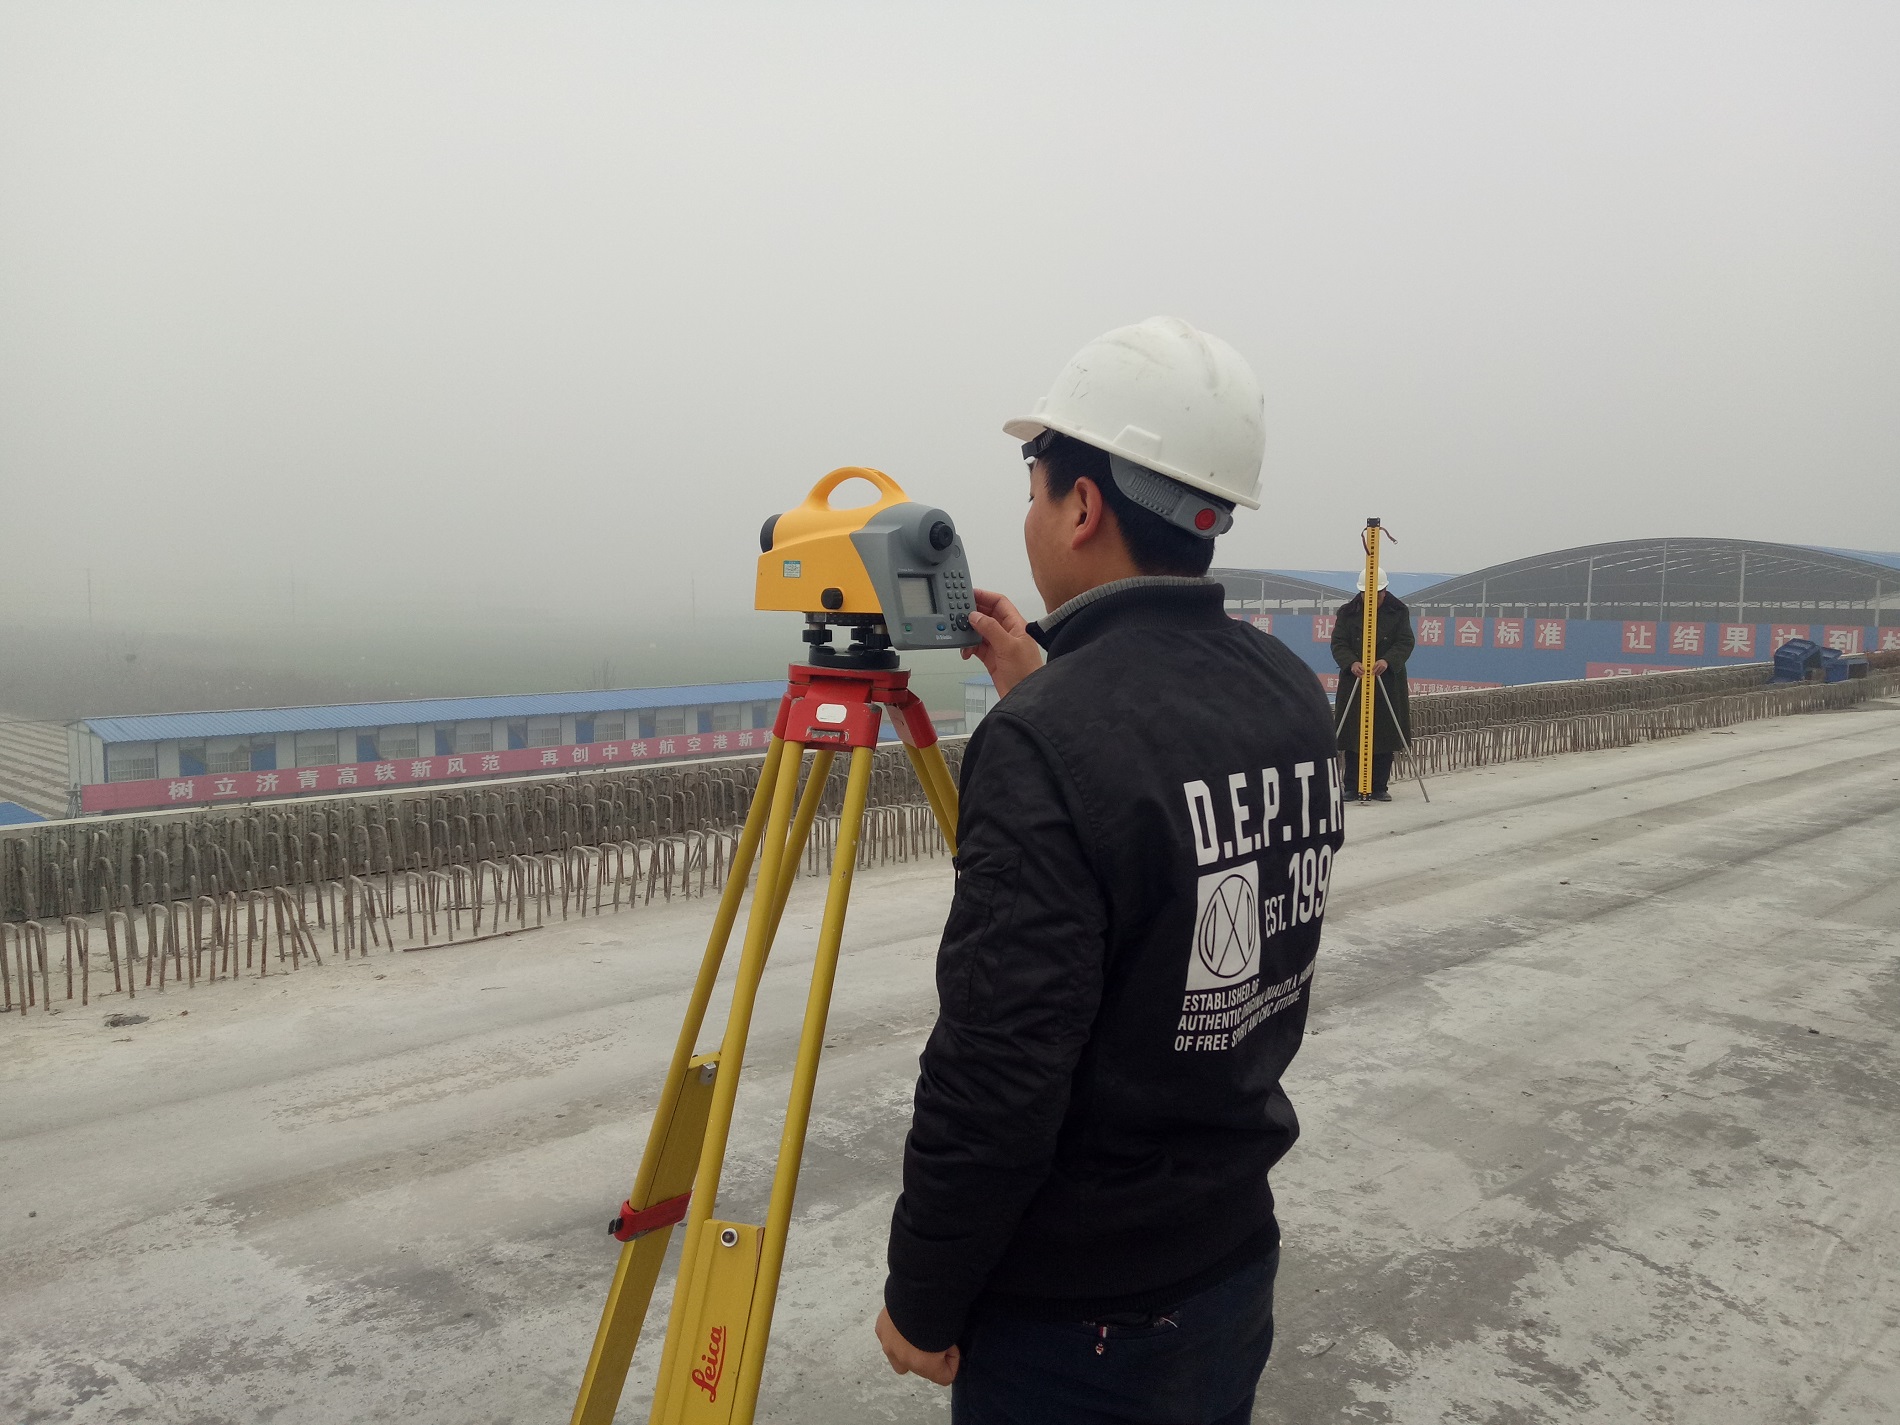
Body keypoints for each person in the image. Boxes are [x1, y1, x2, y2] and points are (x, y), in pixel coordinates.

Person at [872, 317, 1345, 1425]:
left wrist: (922, 1293)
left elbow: (999, 1068)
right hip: (1228, 1265)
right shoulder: (1284, 687)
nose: (1033, 517)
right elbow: (1159, 795)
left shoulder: (1046, 740)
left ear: (1082, 506)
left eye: (1036, 490)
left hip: (1078, 1327)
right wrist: (1052, 683)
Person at [1329, 570, 1415, 802]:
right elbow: (1338, 642)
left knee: (1383, 733)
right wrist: (1351, 662)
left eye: (1375, 594)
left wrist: (1387, 660)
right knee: (1354, 733)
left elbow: (1405, 641)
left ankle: (1379, 786)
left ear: (1384, 591)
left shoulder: (1399, 612)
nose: (1370, 598)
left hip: (1387, 680)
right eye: (1366, 594)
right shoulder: (1347, 612)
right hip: (1355, 680)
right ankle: (1351, 785)